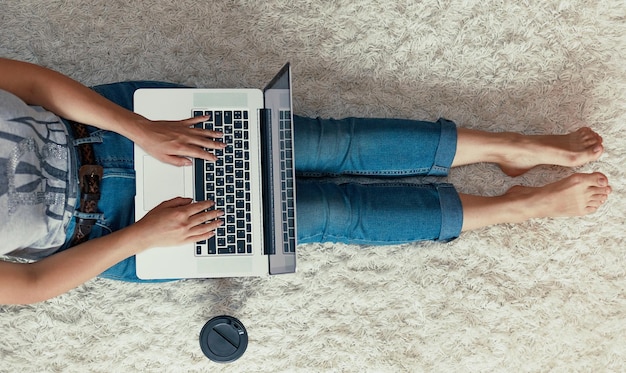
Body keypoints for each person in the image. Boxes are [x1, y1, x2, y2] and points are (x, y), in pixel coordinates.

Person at [0, 58, 611, 305]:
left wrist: (137, 126)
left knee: (320, 140)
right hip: (115, 230)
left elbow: (29, 86)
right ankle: (513, 209)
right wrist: (142, 236)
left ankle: (511, 146)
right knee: (321, 215)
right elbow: (26, 284)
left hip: (105, 127)